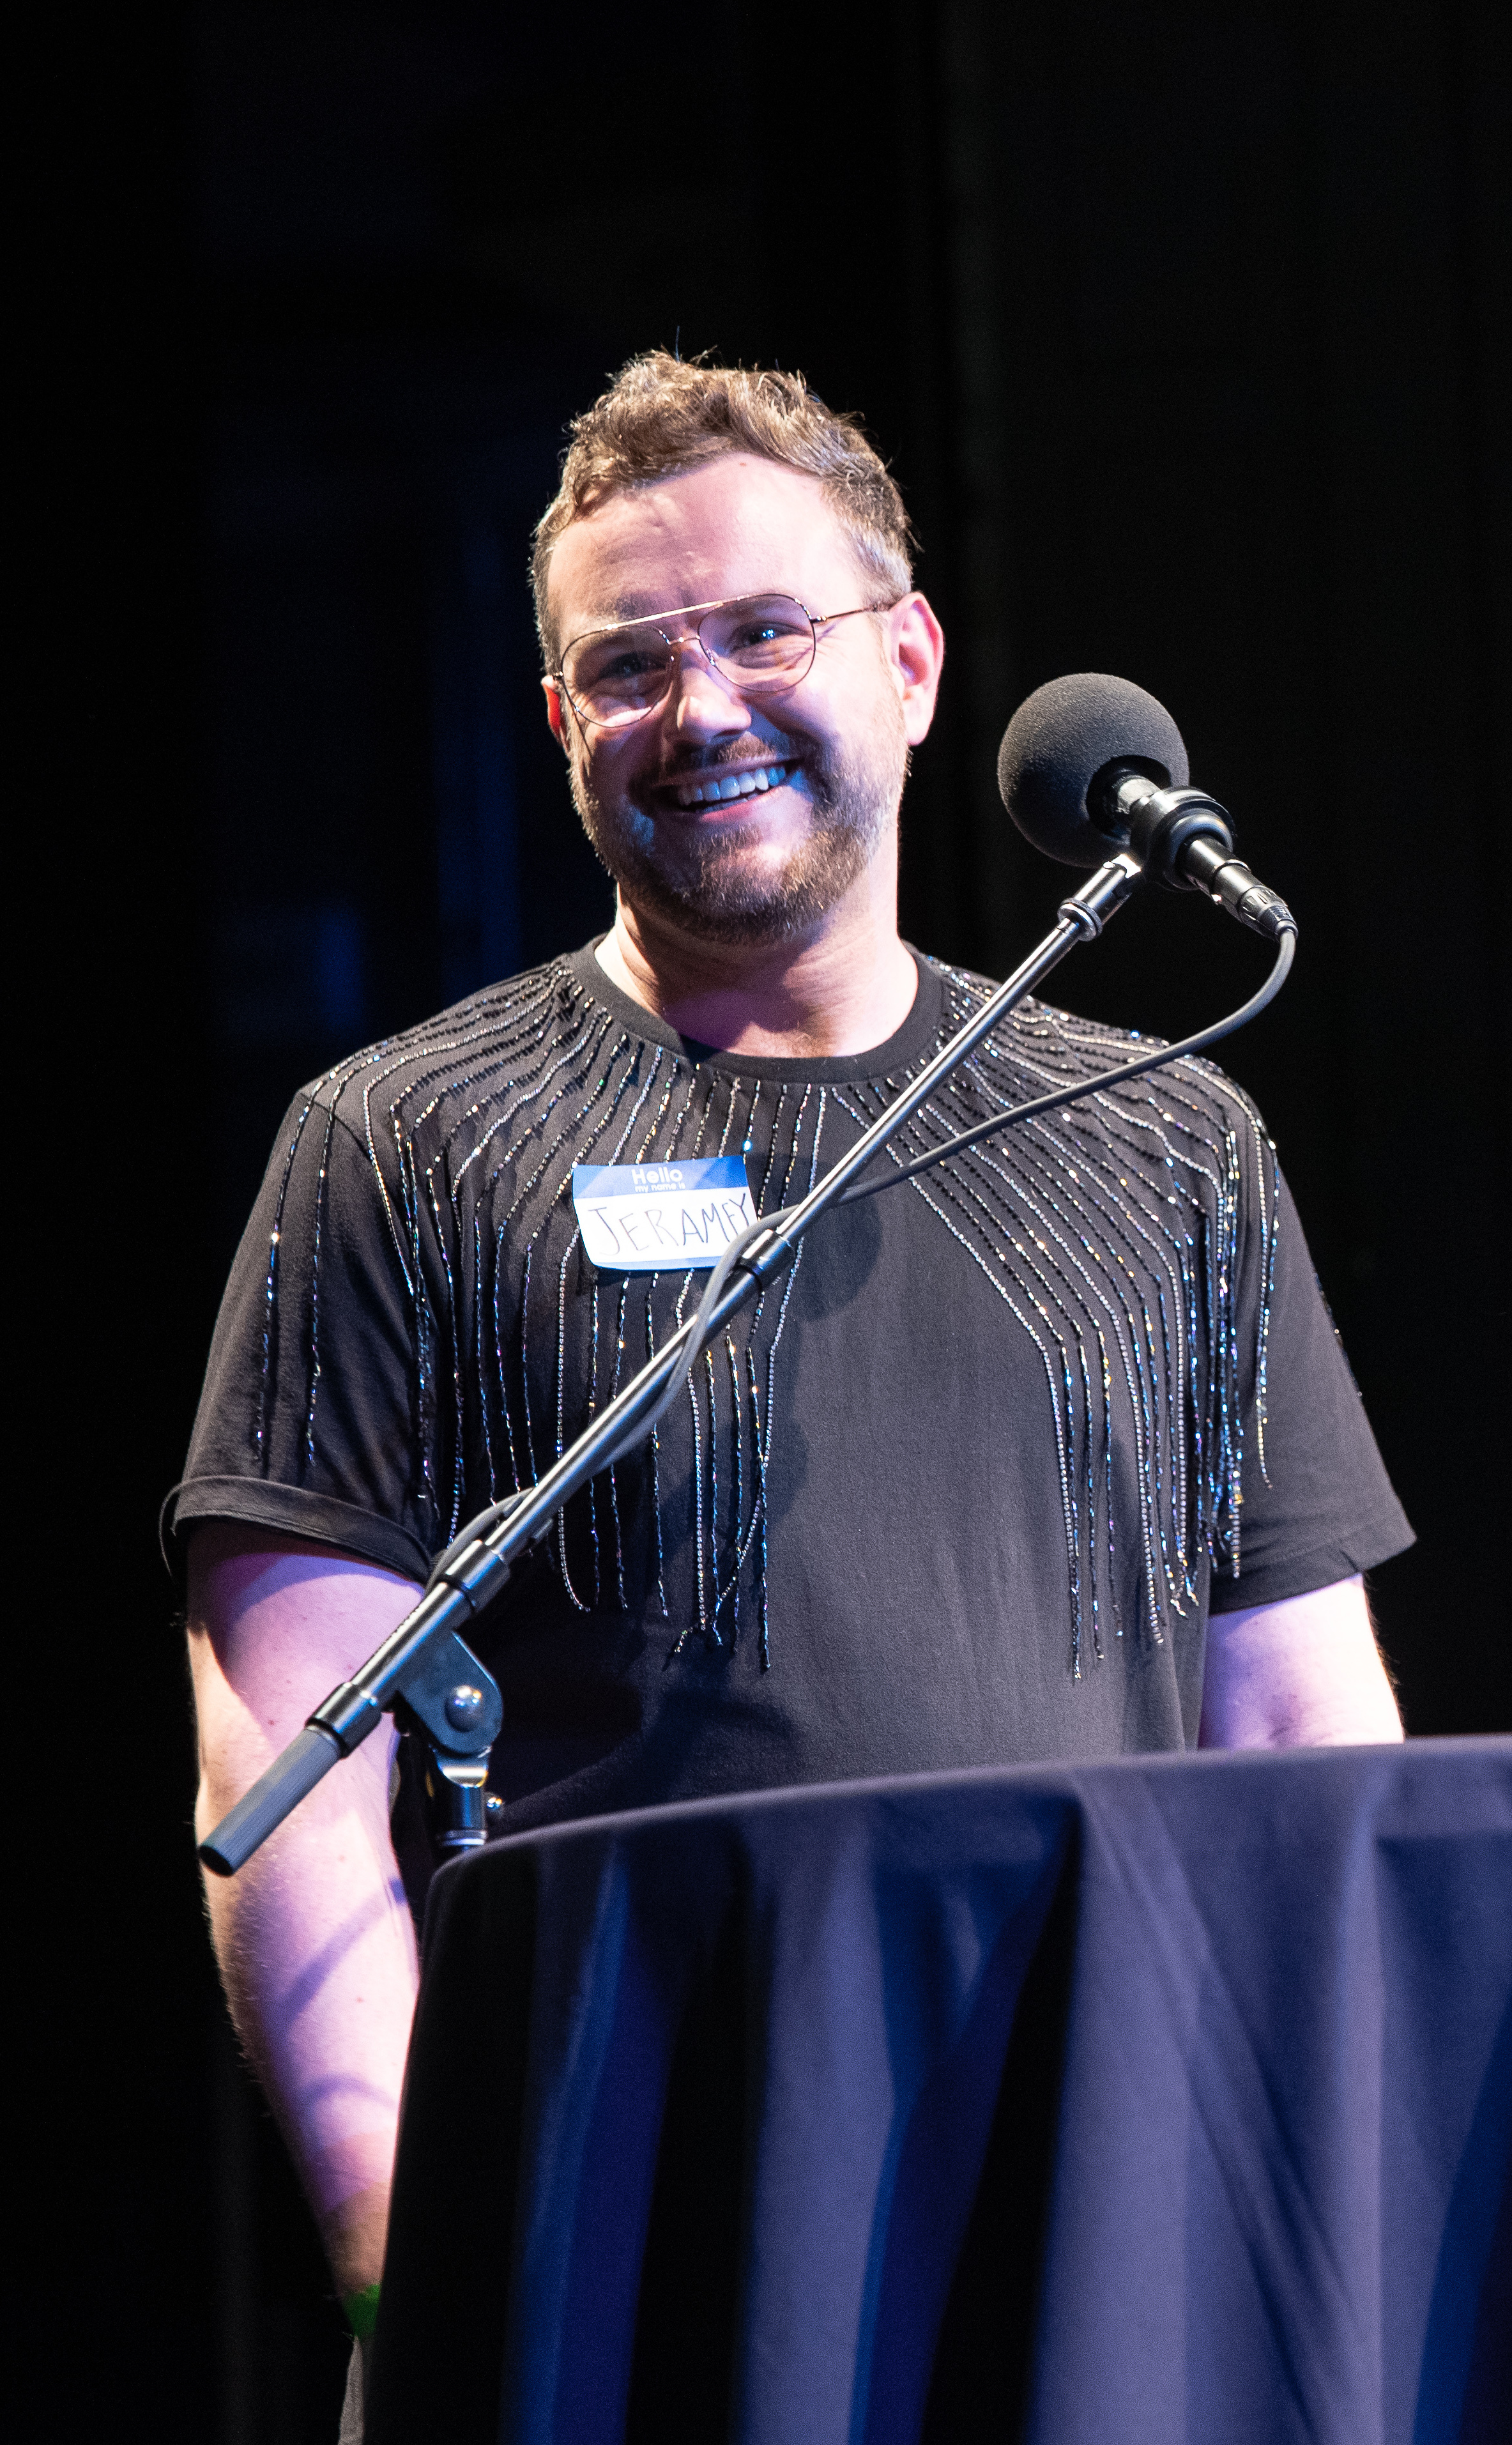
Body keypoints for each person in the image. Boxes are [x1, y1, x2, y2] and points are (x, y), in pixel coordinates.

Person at [171, 355, 1412, 2341]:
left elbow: (1302, 1731)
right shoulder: (405, 1145)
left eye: (765, 632)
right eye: (632, 667)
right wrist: (424, 2274)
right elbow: (293, 1766)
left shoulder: (1169, 1135)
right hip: (631, 2242)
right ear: (565, 724)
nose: (704, 708)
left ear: (910, 663)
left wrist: (1337, 2213)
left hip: (1123, 2221)